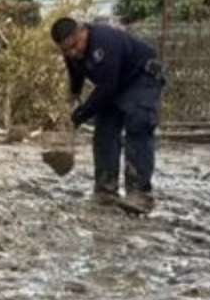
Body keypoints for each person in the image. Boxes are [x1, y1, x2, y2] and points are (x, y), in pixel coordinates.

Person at [52, 15, 166, 214]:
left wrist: (80, 115)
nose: (73, 53)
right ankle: (106, 189)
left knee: (138, 126)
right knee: (104, 131)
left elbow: (107, 88)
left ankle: (139, 194)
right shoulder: (72, 52)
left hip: (140, 77)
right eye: (66, 50)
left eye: (75, 46)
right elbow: (76, 73)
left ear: (82, 32)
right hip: (115, 82)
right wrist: (73, 98)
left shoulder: (105, 40)